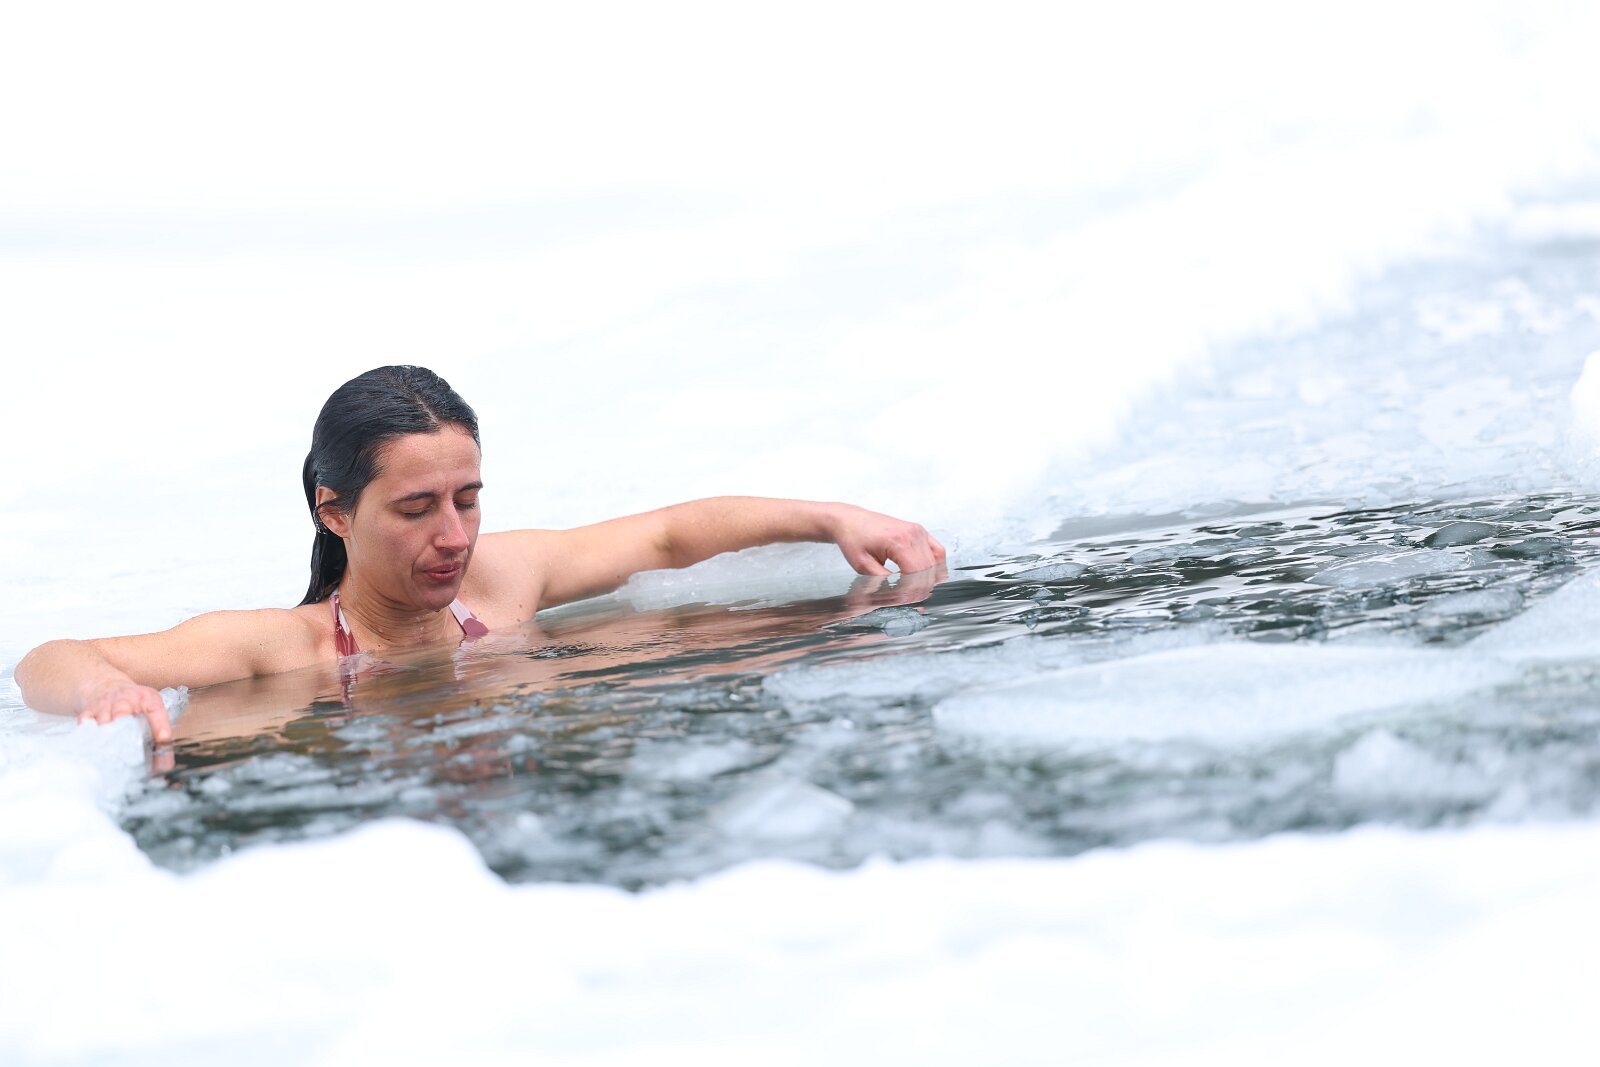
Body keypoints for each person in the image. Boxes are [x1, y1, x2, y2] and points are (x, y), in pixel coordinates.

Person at [15, 365, 947, 744]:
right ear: (335, 513)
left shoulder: (501, 583)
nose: (455, 537)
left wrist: (830, 516)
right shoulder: (285, 647)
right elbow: (45, 660)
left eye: (467, 499)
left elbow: (667, 534)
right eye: (416, 508)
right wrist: (106, 689)